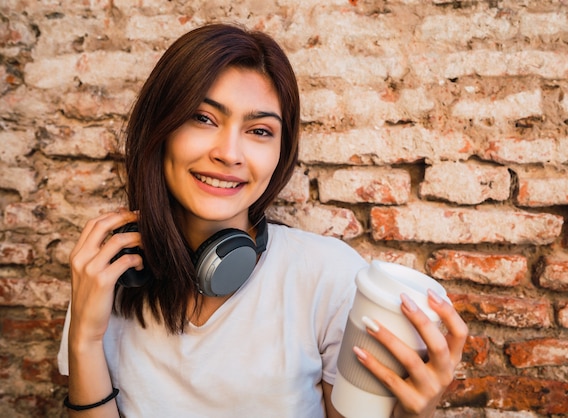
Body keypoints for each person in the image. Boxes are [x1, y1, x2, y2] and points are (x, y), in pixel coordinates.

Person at [57, 23, 468, 417]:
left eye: (259, 130)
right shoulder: (109, 269)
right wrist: (86, 340)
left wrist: (413, 414)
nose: (230, 153)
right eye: (203, 118)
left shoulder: (328, 277)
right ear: (160, 129)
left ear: (280, 154)